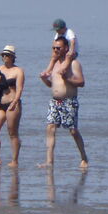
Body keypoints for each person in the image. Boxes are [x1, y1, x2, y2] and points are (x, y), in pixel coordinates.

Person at [41, 36, 88, 169]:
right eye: (53, 48)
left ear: (66, 48)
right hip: (55, 101)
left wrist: (68, 78)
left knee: (73, 131)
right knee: (50, 128)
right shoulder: (54, 64)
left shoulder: (73, 64)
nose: (55, 50)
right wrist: (44, 79)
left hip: (69, 101)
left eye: (58, 48)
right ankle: (49, 161)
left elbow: (81, 82)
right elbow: (52, 85)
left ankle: (84, 157)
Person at [0, 45, 25, 167]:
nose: (5, 57)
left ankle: (14, 160)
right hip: (0, 103)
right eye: (3, 55)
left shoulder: (18, 71)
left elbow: (19, 90)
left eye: (7, 55)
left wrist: (14, 103)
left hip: (12, 104)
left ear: (12, 57)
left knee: (12, 132)